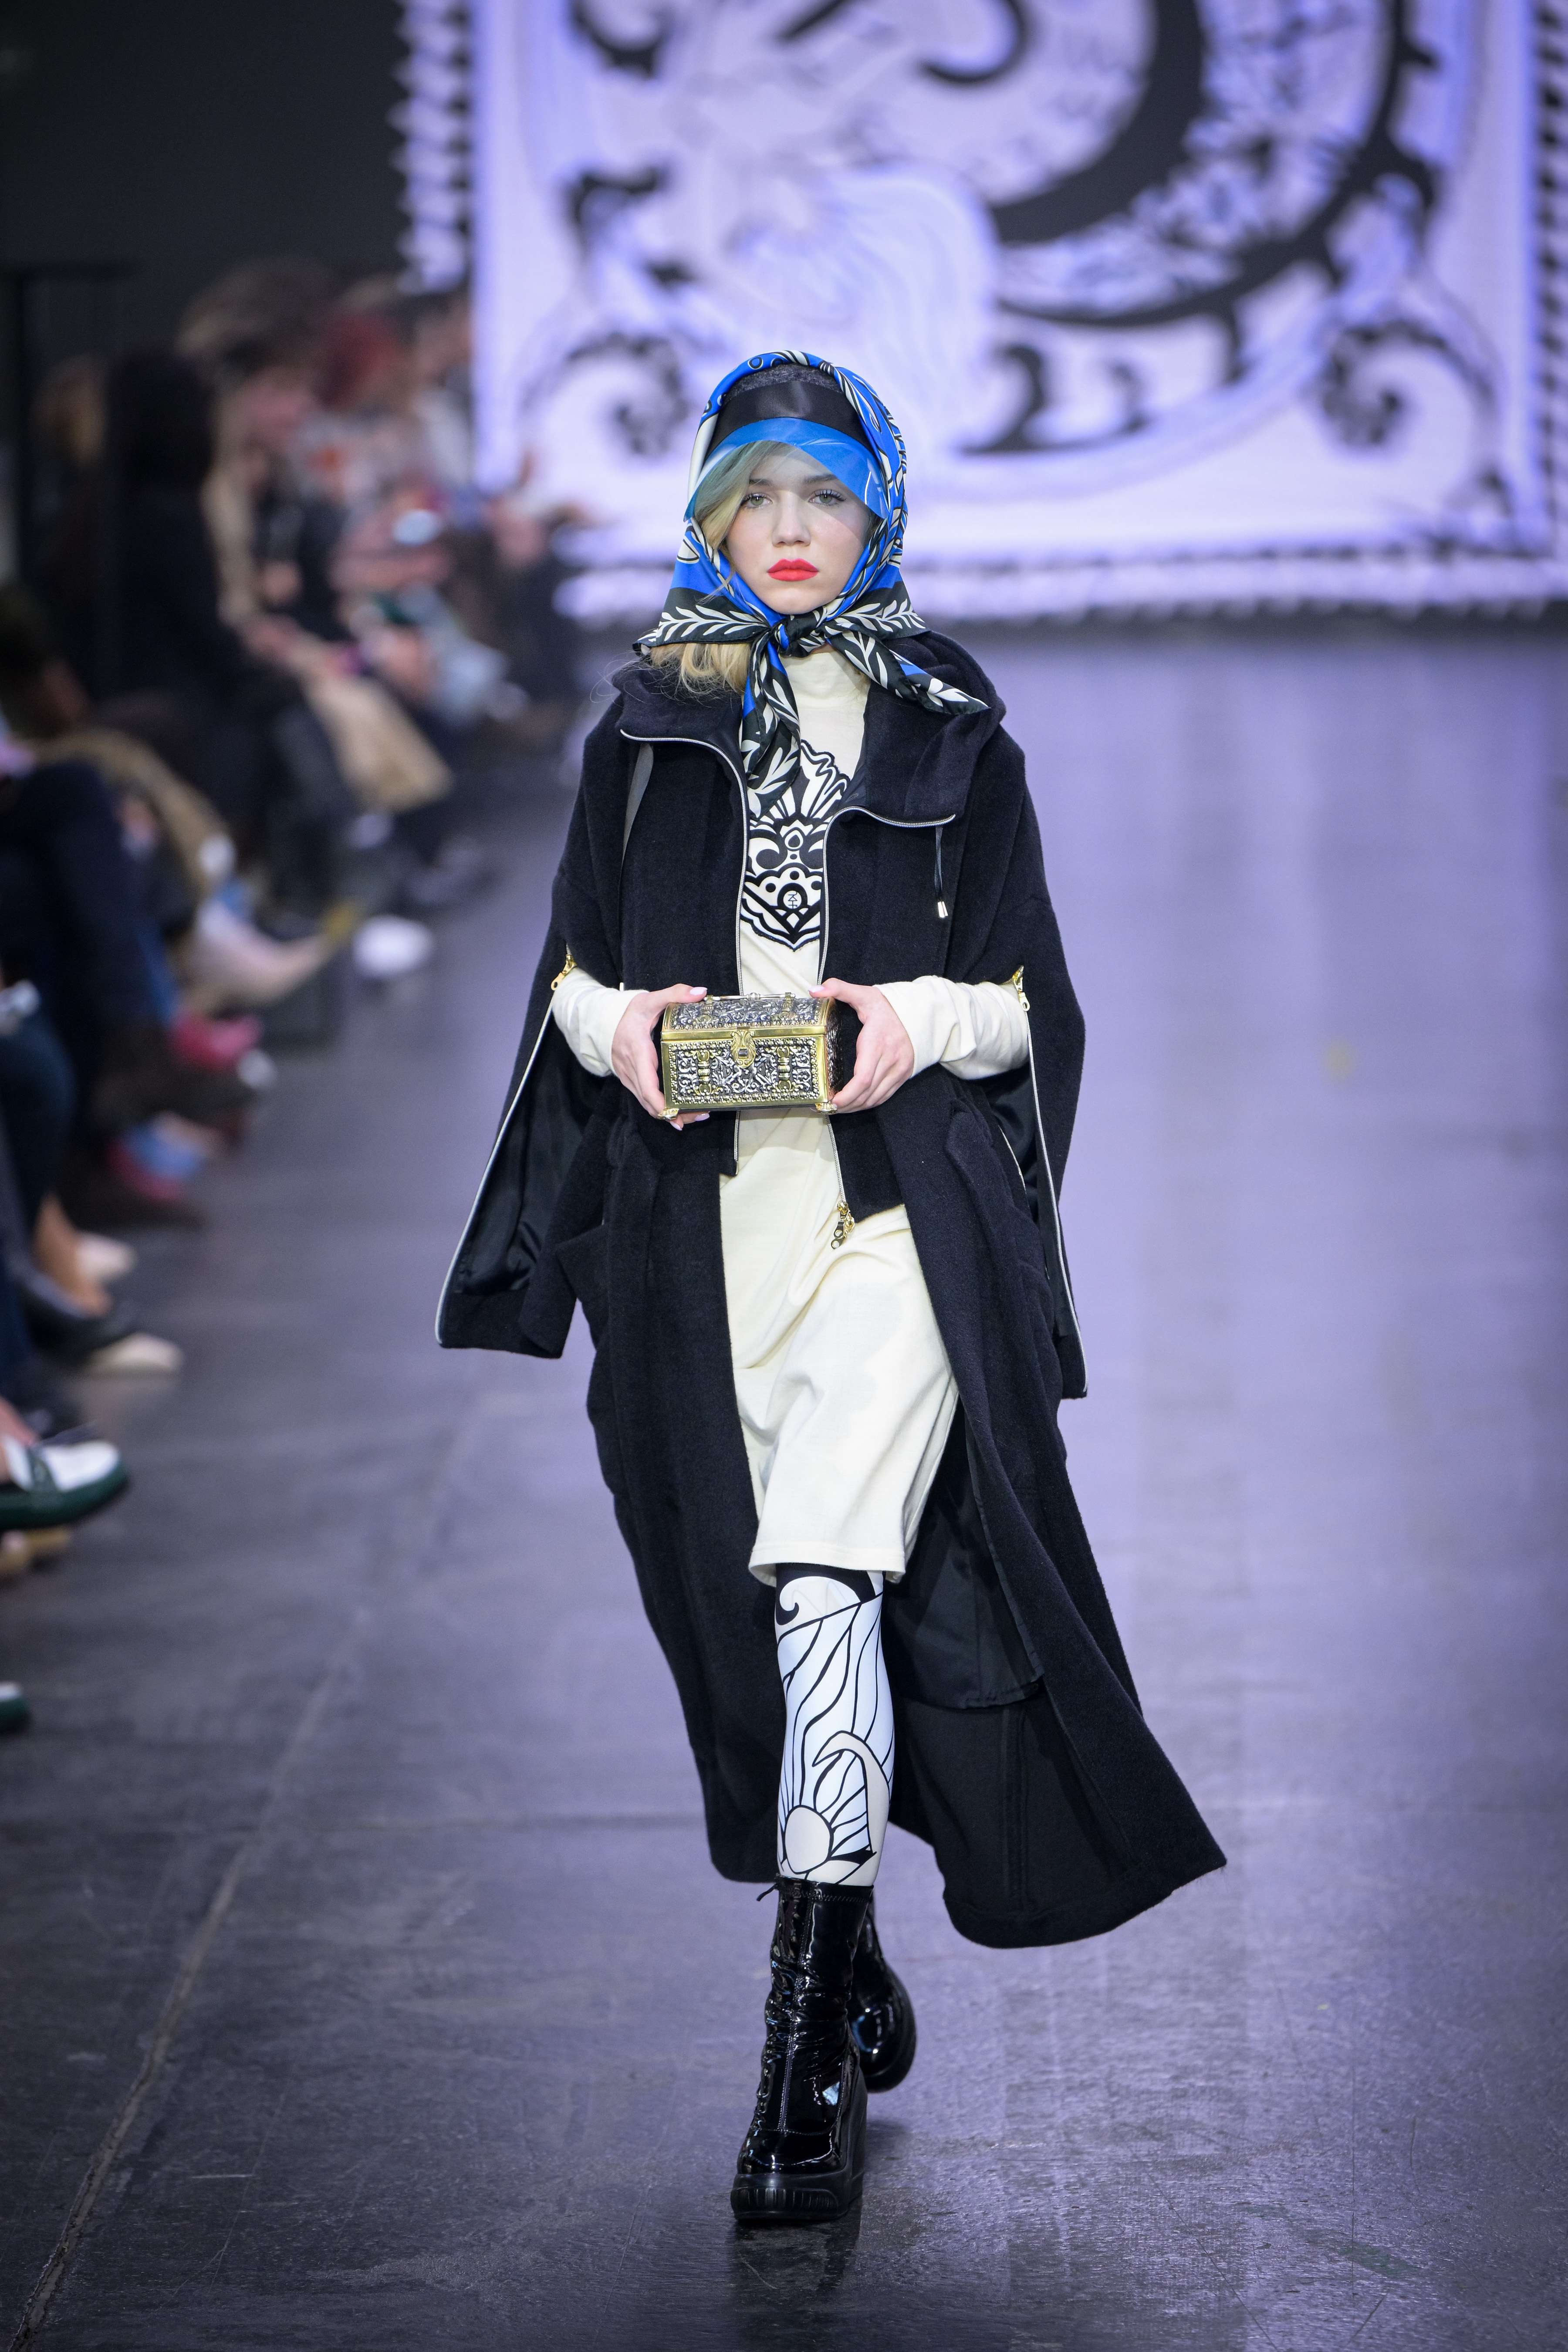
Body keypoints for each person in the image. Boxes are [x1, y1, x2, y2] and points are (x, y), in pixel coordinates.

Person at [437, 355, 1224, 2224]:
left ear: (877, 513)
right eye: (757, 499)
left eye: (826, 498)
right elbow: (567, 980)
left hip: (899, 1227)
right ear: (712, 515)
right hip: (700, 1233)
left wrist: (909, 1022)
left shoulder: (957, 734)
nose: (790, 534)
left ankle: (797, 2064)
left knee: (821, 1592)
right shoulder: (644, 732)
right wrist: (634, 1029)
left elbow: (1030, 1005)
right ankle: (849, 1944)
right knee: (739, 1617)